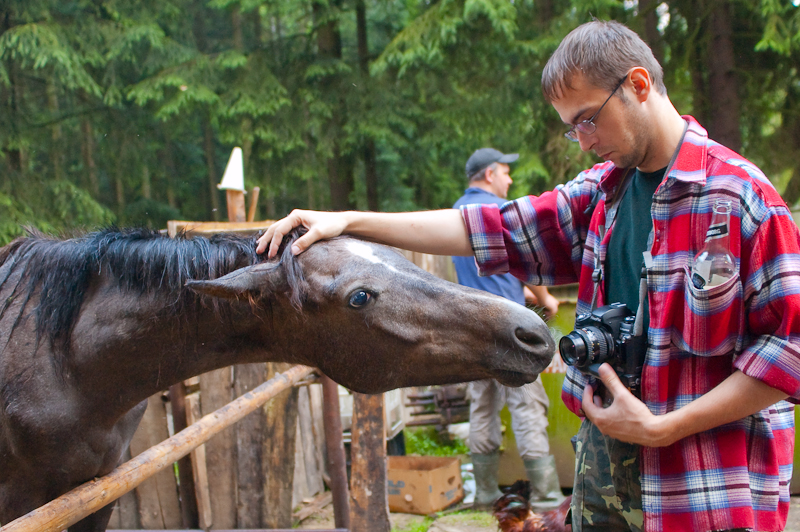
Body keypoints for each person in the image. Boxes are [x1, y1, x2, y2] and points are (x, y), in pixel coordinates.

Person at [256, 20, 800, 532]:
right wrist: (351, 222)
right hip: (601, 469)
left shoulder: (743, 200)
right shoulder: (601, 195)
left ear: (638, 84)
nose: (583, 140)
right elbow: (488, 225)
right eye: (571, 129)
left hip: (703, 485)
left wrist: (664, 428)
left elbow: (790, 352)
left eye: (588, 118)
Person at [454, 147, 563, 511]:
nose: (510, 178)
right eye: (505, 171)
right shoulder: (494, 212)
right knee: (526, 407)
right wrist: (545, 300)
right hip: (508, 326)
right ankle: (548, 497)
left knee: (481, 407)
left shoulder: (457, 212)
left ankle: (485, 493)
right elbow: (523, 263)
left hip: (471, 327)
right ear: (489, 175)